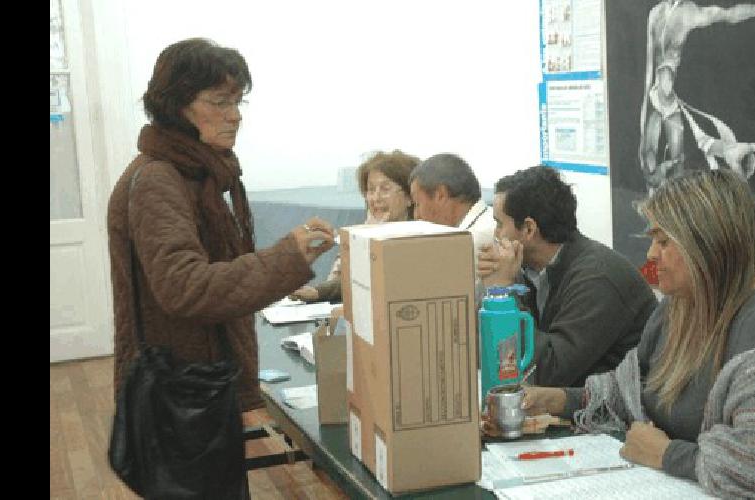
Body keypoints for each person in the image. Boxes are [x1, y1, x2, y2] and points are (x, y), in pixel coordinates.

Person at [105, 38, 335, 498]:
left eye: (238, 101)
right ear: (177, 108)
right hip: (181, 394)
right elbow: (185, 287)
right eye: (219, 101)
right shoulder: (158, 179)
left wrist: (287, 257)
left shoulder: (196, 172)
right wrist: (288, 257)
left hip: (195, 386)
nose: (235, 115)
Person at [487, 169, 755, 498]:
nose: (651, 255)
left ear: (709, 243)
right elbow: (627, 393)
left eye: (664, 241)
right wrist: (558, 400)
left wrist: (666, 455)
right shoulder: (679, 307)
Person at [476, 166, 657, 388]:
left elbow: (545, 372)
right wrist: (491, 290)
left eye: (499, 224)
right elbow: (479, 350)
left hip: (611, 414)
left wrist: (502, 293)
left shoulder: (597, 277)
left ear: (529, 229)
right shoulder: (526, 269)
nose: (495, 235)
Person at [639, 0, 755, 192]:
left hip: (671, 104)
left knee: (677, 169)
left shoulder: (689, 12)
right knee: (649, 164)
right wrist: (643, 120)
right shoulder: (655, 14)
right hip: (656, 98)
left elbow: (728, 14)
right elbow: (648, 71)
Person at [289, 150, 418, 303]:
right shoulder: (363, 231)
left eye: (385, 189)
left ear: (410, 197)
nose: (376, 198)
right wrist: (317, 292)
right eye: (371, 190)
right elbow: (345, 280)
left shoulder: (418, 238)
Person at [408, 152, 497, 273]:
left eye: (418, 204)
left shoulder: (472, 241)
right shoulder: (486, 220)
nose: (416, 215)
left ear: (440, 195)